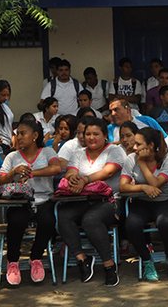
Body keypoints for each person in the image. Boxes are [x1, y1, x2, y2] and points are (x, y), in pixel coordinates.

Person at [59, 117, 126, 286]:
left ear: (105, 136)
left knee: (90, 220)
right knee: (63, 216)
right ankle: (82, 259)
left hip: (109, 201)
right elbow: (70, 173)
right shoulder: (78, 153)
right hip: (82, 199)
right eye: (87, 134)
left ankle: (109, 265)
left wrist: (85, 179)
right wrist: (74, 180)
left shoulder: (114, 151)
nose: (91, 137)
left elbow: (108, 172)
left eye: (96, 134)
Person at [0, 120, 60, 285]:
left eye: (23, 133)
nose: (19, 137)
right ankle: (13, 261)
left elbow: (56, 169)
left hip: (44, 198)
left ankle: (36, 257)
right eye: (17, 134)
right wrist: (13, 173)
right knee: (17, 220)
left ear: (35, 136)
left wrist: (32, 173)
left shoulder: (47, 152)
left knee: (48, 221)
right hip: (20, 200)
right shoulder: (12, 156)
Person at [120, 127, 168, 281]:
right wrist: (142, 187)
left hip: (164, 201)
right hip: (141, 201)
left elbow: (155, 183)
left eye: (139, 145)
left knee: (165, 223)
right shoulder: (130, 159)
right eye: (135, 144)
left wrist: (141, 163)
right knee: (132, 224)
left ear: (152, 146)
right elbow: (122, 186)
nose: (134, 148)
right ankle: (147, 260)